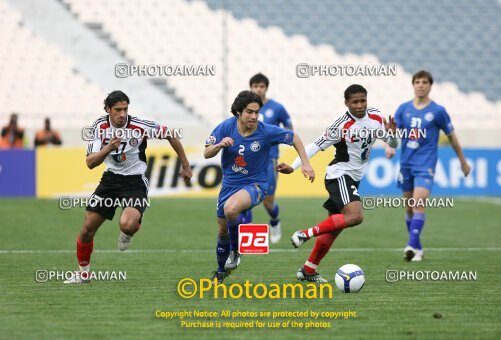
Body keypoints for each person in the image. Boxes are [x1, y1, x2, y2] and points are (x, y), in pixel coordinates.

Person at [65, 91, 192, 283]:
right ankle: (83, 274)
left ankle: (132, 227)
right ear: (108, 109)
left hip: (135, 181)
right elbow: (90, 163)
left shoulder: (140, 125)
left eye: (125, 109)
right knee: (87, 230)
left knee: (127, 224)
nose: (122, 114)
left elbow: (171, 134)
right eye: (117, 110)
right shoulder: (99, 127)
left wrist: (185, 165)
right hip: (110, 180)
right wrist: (108, 147)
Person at [278, 84, 398, 283]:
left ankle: (308, 270)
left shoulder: (376, 117)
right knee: (355, 216)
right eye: (355, 102)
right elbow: (315, 146)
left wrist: (392, 136)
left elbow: (392, 143)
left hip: (354, 178)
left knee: (333, 228)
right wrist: (295, 166)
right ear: (346, 103)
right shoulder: (340, 125)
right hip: (339, 175)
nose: (360, 105)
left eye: (363, 101)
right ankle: (305, 233)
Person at [205, 90, 314, 283]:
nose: (254, 116)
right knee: (222, 229)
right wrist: (220, 145)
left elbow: (294, 137)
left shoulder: (266, 131)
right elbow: (207, 153)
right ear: (238, 112)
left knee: (231, 209)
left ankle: (237, 250)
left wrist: (305, 163)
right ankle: (221, 271)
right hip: (229, 186)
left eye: (257, 112)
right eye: (249, 112)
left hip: (256, 185)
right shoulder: (225, 127)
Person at [385, 70, 471, 262]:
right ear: (413, 85)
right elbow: (392, 134)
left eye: (424, 82)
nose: (421, 85)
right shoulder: (403, 109)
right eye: (417, 82)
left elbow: (452, 137)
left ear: (430, 85)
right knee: (408, 208)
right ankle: (417, 248)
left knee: (417, 204)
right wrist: (389, 147)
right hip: (406, 164)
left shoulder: (438, 111)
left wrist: (463, 162)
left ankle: (410, 244)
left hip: (426, 164)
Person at [241, 73, 293, 243]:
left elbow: (289, 128)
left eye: (261, 86)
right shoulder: (244, 108)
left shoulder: (276, 108)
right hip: (248, 159)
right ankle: (246, 239)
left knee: (268, 203)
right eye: (255, 86)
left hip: (269, 160)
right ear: (251, 88)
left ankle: (275, 221)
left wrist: (280, 138)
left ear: (266, 88)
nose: (258, 89)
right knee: (245, 199)